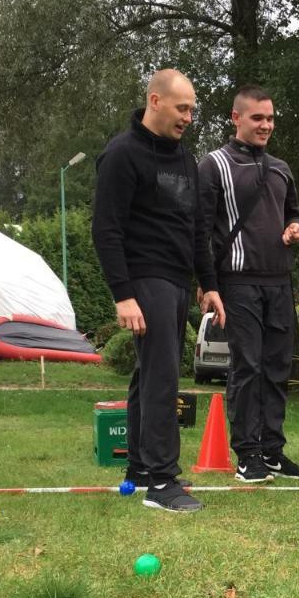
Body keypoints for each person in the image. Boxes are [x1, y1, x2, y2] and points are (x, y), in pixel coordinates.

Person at [92, 69, 218, 513]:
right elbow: (106, 230)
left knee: (149, 374)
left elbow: (197, 225)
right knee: (163, 377)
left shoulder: (184, 157)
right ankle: (163, 484)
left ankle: (142, 467)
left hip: (178, 278)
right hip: (146, 278)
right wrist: (123, 294)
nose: (188, 117)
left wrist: (210, 283)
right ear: (155, 101)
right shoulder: (122, 155)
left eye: (192, 110)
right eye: (182, 108)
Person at [197, 85, 299, 484]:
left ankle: (273, 451)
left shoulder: (281, 167)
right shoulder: (213, 165)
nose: (266, 125)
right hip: (238, 283)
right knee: (247, 367)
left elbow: (295, 213)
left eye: (271, 118)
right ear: (236, 118)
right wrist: (208, 283)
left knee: (279, 368)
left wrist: (296, 227)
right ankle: (248, 455)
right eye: (258, 118)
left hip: (280, 283)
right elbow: (201, 230)